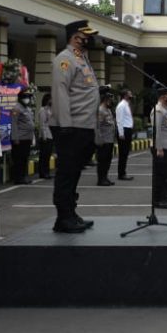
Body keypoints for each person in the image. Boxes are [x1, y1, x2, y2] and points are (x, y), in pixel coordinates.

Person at [50, 19, 100, 233]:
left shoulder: (82, 59)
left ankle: (71, 212)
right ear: (74, 37)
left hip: (85, 126)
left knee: (74, 173)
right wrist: (65, 124)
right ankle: (63, 217)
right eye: (84, 36)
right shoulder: (65, 59)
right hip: (71, 127)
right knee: (66, 173)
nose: (88, 39)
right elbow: (60, 91)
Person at [9, 87, 36, 185]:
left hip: (27, 138)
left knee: (25, 158)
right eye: (25, 97)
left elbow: (30, 123)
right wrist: (15, 138)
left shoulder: (27, 109)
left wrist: (33, 137)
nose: (27, 98)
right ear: (20, 97)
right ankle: (18, 178)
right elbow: (14, 124)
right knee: (19, 159)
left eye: (28, 96)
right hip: (19, 138)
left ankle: (23, 176)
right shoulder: (16, 108)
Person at [96, 86, 117, 186]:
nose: (111, 101)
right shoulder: (100, 110)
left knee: (107, 161)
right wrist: (99, 140)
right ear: (105, 99)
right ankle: (101, 179)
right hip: (103, 140)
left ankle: (105, 177)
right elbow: (98, 126)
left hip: (109, 139)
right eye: (110, 99)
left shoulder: (108, 110)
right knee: (102, 161)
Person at [115, 88, 135, 181]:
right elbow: (119, 120)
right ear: (125, 95)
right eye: (129, 93)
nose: (131, 94)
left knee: (125, 153)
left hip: (128, 130)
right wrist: (121, 133)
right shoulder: (121, 105)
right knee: (123, 153)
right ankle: (121, 174)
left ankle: (123, 172)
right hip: (124, 131)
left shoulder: (127, 104)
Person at [36, 93, 53, 180]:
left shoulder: (50, 109)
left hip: (50, 135)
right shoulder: (42, 110)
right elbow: (42, 125)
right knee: (44, 155)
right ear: (47, 100)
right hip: (45, 136)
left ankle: (46, 172)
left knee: (48, 155)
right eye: (51, 99)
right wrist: (44, 137)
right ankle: (43, 172)